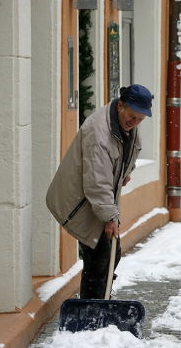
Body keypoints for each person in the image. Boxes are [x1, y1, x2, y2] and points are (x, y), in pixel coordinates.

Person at [46, 84, 152, 299]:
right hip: (80, 199)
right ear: (120, 105)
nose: (135, 123)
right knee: (101, 251)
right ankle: (93, 305)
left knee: (109, 251)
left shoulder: (125, 122)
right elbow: (97, 181)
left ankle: (97, 301)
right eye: (132, 117)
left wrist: (125, 172)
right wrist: (109, 217)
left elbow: (130, 150)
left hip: (96, 197)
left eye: (140, 119)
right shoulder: (99, 134)